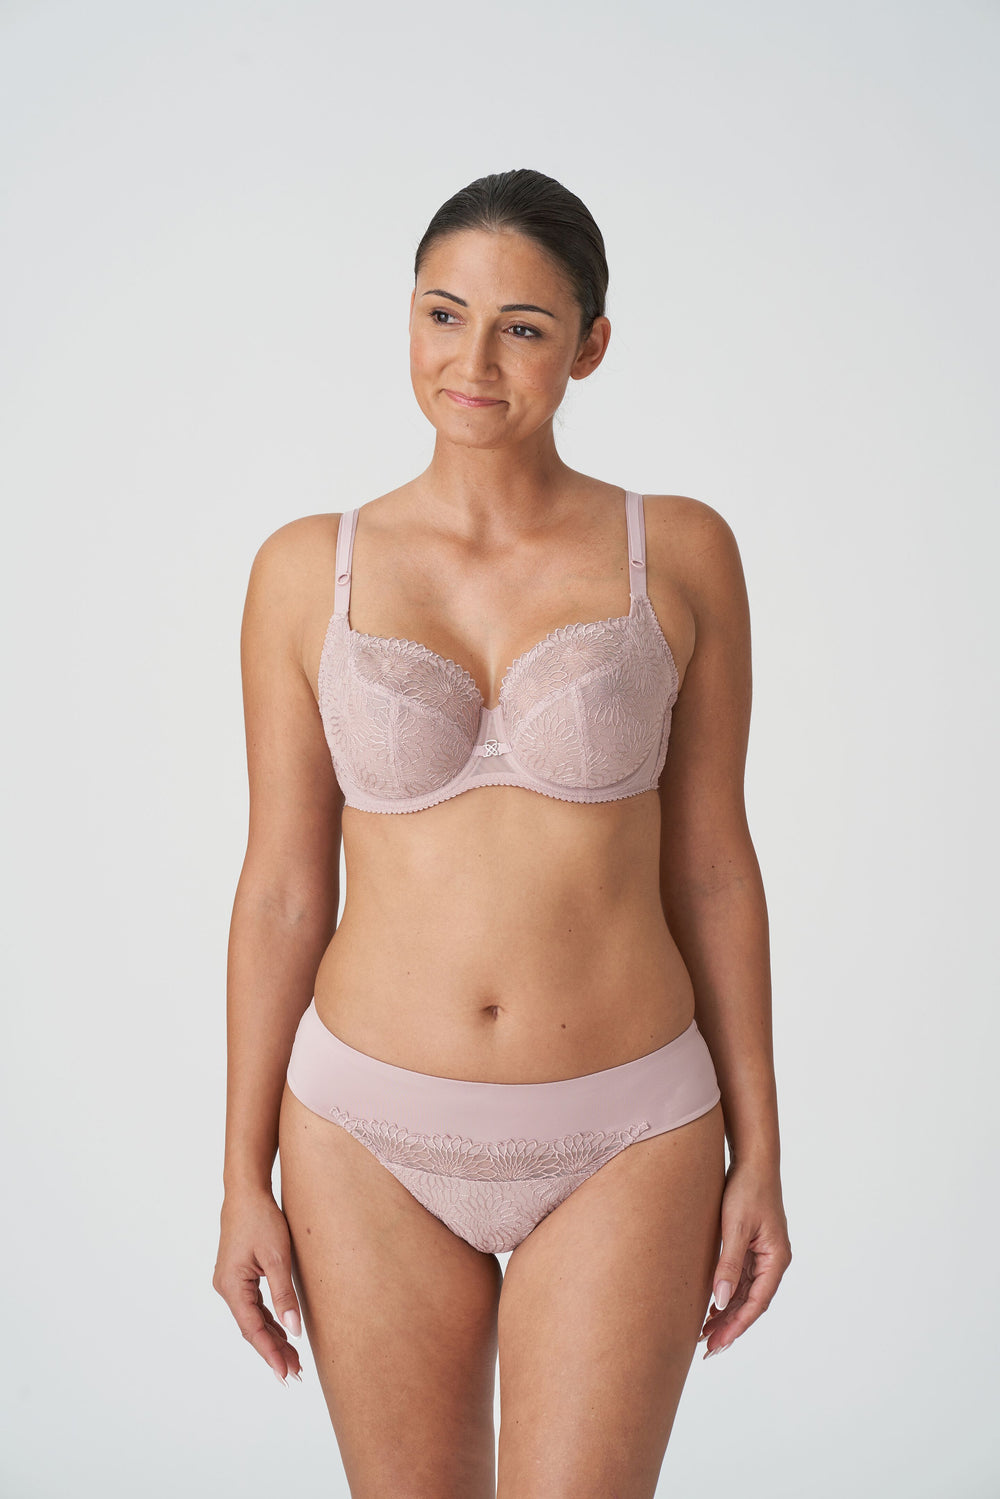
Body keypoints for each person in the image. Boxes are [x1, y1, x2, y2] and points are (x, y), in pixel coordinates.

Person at [213, 166, 792, 1498]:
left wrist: (761, 1151)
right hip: (362, 1131)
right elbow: (283, 889)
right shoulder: (305, 569)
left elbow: (714, 866)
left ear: (590, 345)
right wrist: (241, 1174)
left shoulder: (679, 551)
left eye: (522, 328)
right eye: (443, 313)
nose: (471, 363)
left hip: (629, 1128)